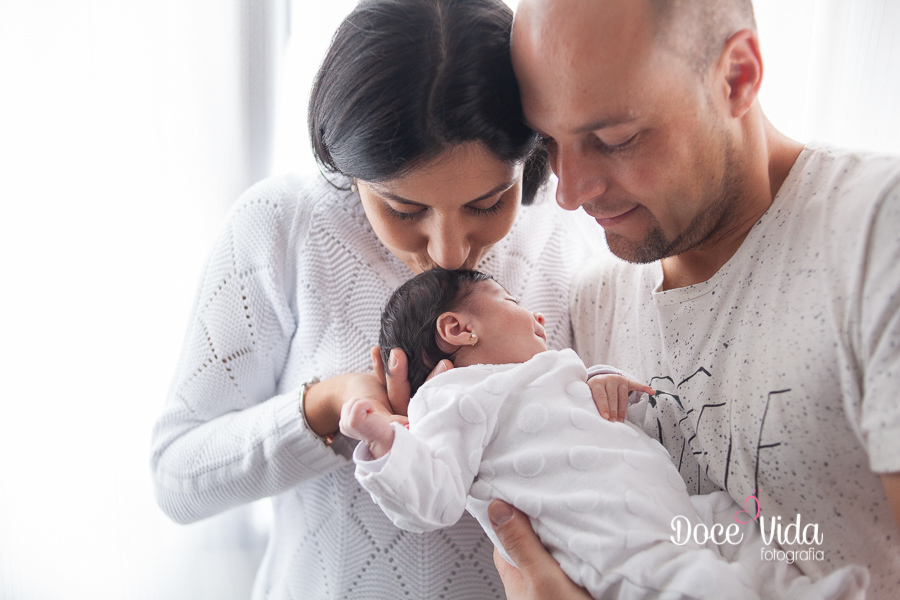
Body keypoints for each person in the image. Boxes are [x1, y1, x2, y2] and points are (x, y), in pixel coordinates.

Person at [148, 1, 600, 598]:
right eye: (404, 210)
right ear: (348, 166)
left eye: (489, 204)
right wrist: (320, 411)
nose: (448, 252)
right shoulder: (282, 227)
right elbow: (177, 477)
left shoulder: (572, 238)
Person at [483, 0, 900, 597]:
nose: (570, 192)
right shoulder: (594, 302)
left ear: (737, 77)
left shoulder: (877, 237)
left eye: (613, 138)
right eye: (547, 142)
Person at [340, 268, 867, 600]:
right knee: (690, 581)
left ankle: (800, 590)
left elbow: (595, 422)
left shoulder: (548, 370)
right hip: (605, 540)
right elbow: (433, 497)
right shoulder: (449, 396)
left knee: (735, 526)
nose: (536, 313)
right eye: (509, 299)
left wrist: (601, 382)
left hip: (666, 507)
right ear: (459, 329)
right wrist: (388, 445)